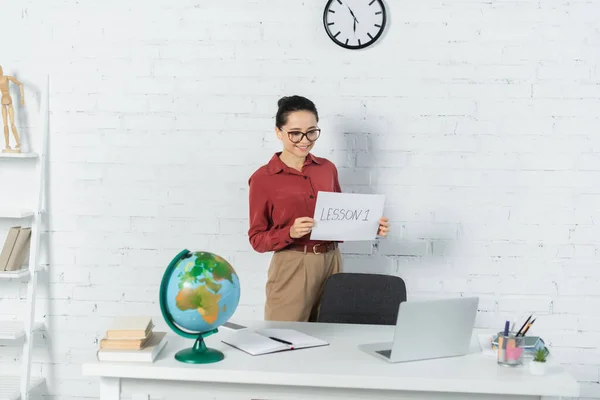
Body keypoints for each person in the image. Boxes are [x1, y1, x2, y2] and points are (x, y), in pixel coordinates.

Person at [247, 95, 390, 322]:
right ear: (278, 132)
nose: (305, 140)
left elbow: (341, 219)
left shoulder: (327, 169)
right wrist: (289, 233)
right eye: (295, 133)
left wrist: (370, 226)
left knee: (330, 333)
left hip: (332, 261)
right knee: (284, 336)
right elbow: (256, 239)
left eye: (312, 131)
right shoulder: (263, 178)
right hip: (293, 264)